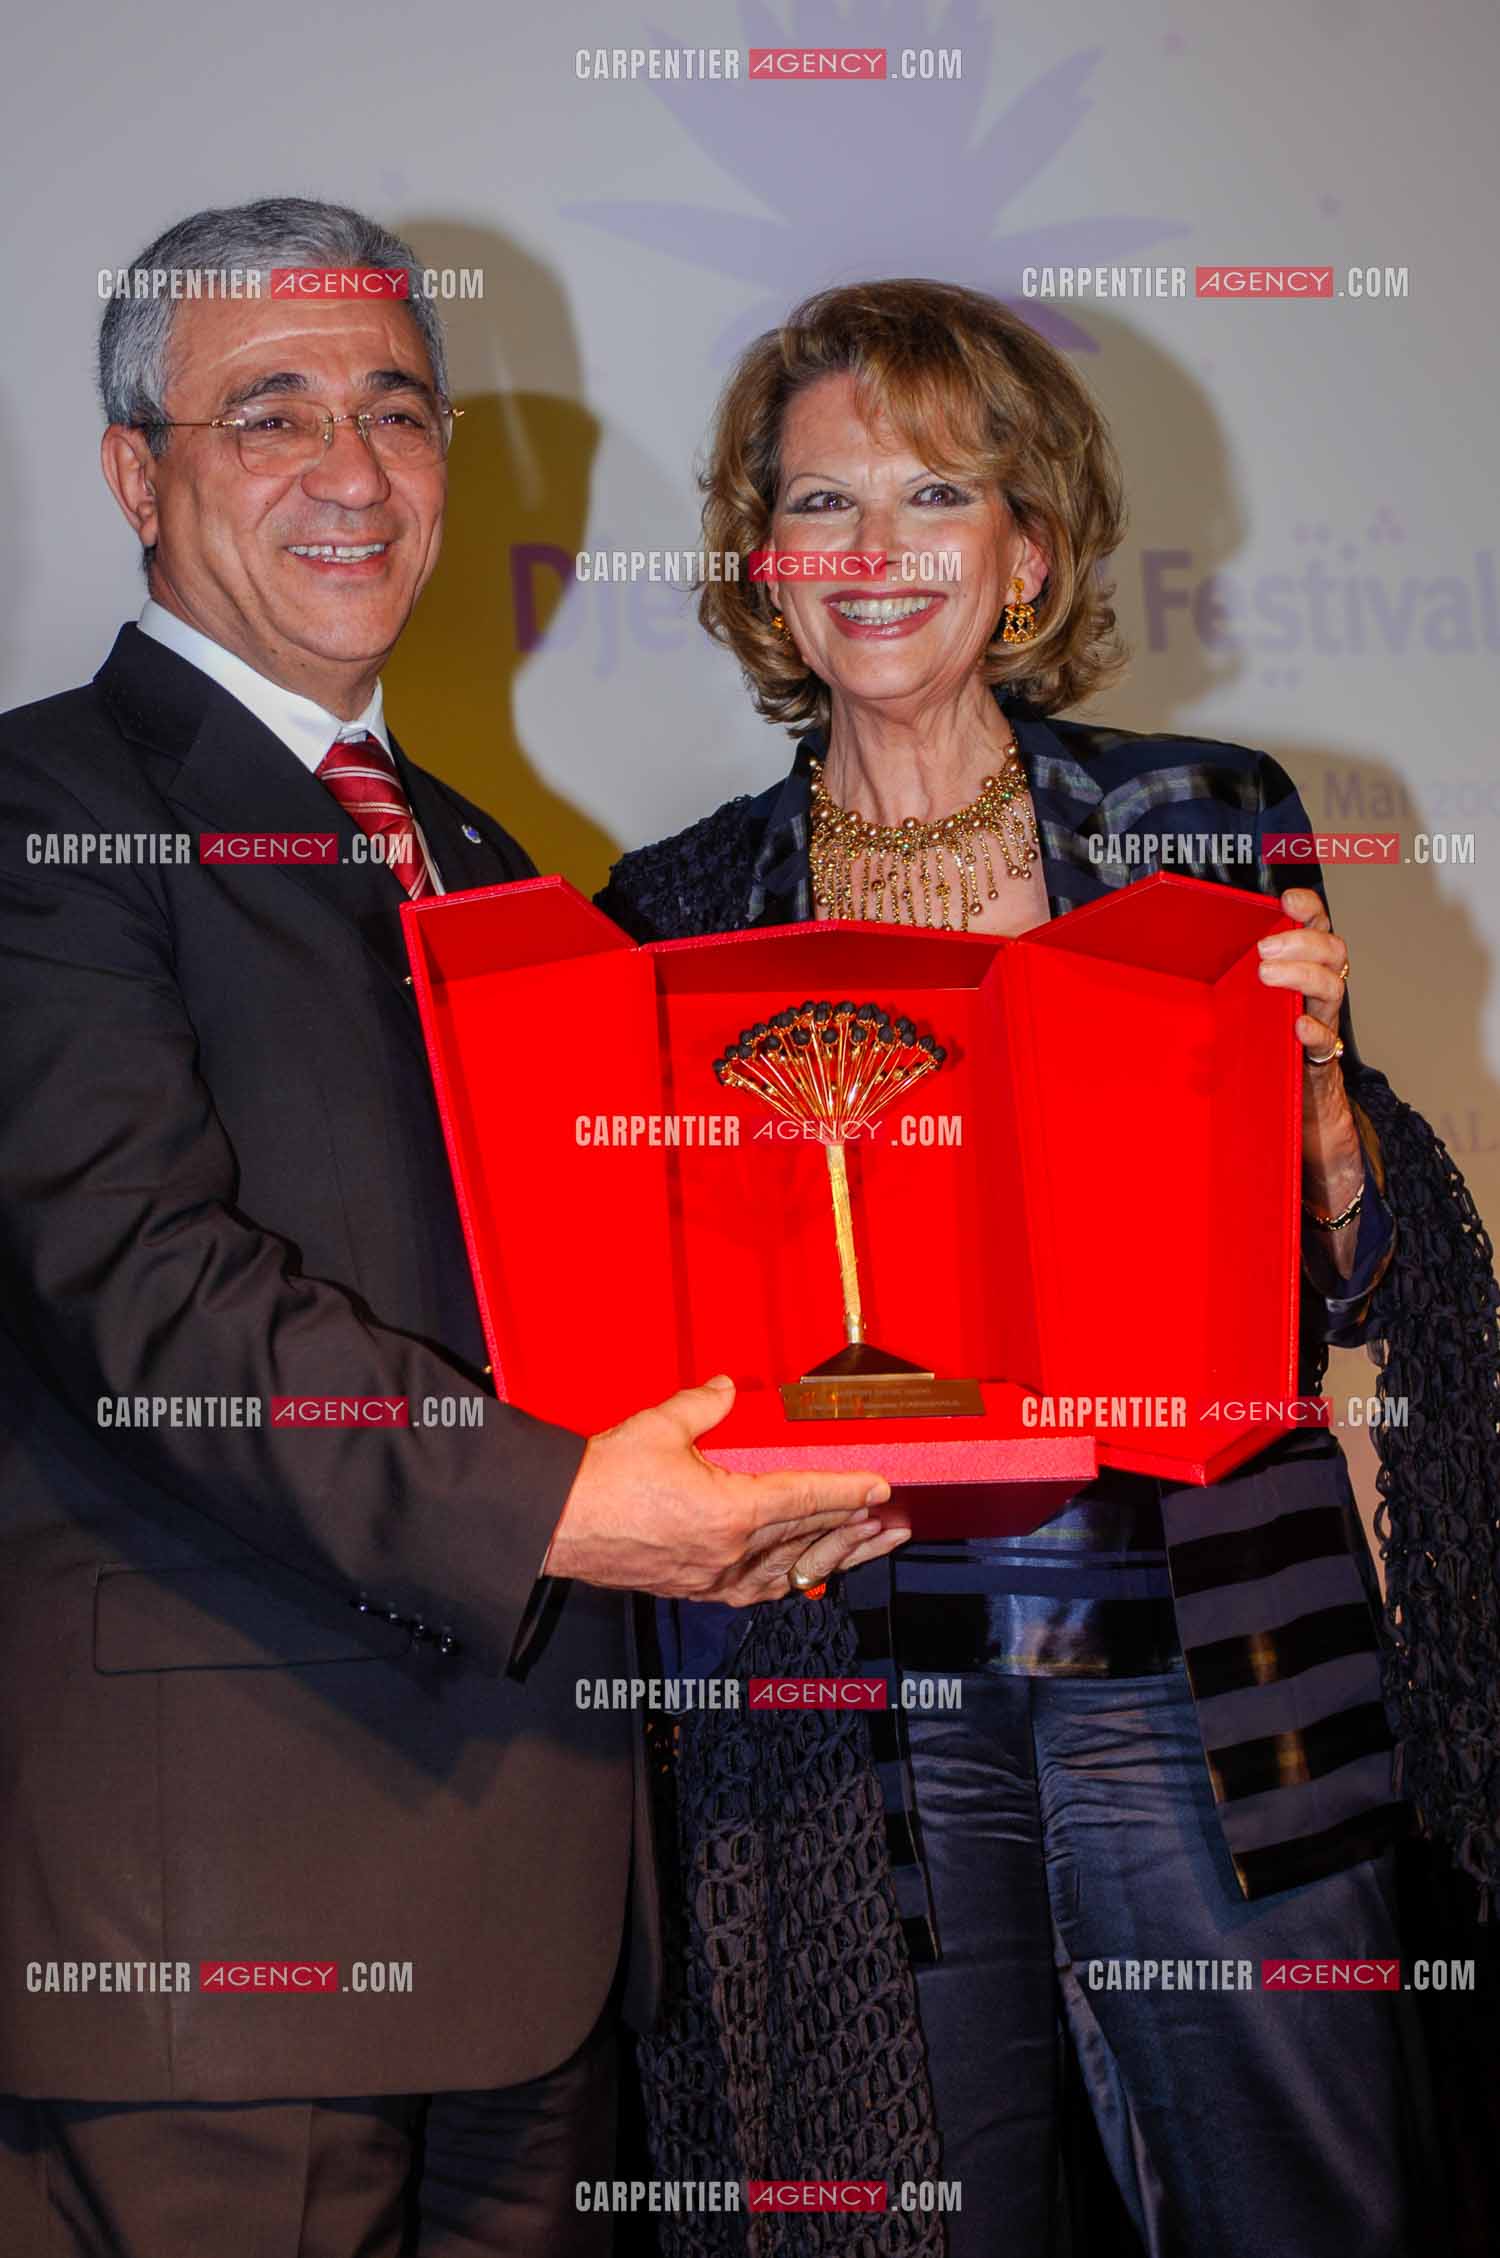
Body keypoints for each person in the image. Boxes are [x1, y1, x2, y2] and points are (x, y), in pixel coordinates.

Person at [0, 201, 905, 2258]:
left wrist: (759, 1468)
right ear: (137, 472)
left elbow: (586, 1304)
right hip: (214, 1930)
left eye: (398, 411)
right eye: (271, 414)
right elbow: (148, 1303)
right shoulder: (43, 810)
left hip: (539, 1914)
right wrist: (578, 1505)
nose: (351, 468)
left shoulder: (496, 862)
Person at [597, 279, 1495, 2257]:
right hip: (847, 1692)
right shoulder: (668, 916)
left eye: (936, 492)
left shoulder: (1205, 829)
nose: (877, 551)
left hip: (1215, 1672)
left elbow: (1364, 1291)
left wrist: (1335, 1138)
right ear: (762, 563)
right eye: (823, 503)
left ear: (1031, 551)